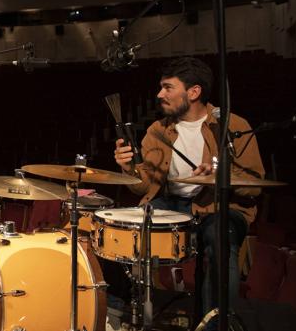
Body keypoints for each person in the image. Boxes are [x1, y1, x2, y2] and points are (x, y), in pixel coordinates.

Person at [113, 57, 265, 327]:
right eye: (161, 87)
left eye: (168, 87)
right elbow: (145, 186)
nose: (160, 94)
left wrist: (220, 175)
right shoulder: (158, 130)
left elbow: (254, 185)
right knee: (120, 227)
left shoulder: (233, 125)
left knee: (218, 237)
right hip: (172, 203)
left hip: (220, 207)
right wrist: (128, 169)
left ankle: (214, 324)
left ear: (194, 92)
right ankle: (121, 312)